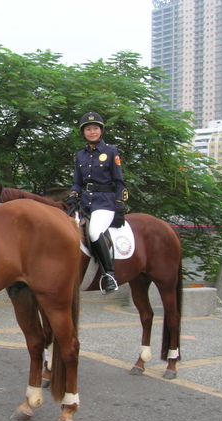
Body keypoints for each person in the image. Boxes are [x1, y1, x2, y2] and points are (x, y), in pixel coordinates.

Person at [67, 112, 128, 293]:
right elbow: (77, 182)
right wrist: (73, 195)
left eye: (95, 128)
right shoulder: (81, 155)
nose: (92, 132)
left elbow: (119, 182)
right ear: (83, 132)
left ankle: (108, 275)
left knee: (94, 232)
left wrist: (120, 205)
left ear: (101, 131)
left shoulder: (111, 151)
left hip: (105, 203)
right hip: (86, 203)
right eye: (88, 129)